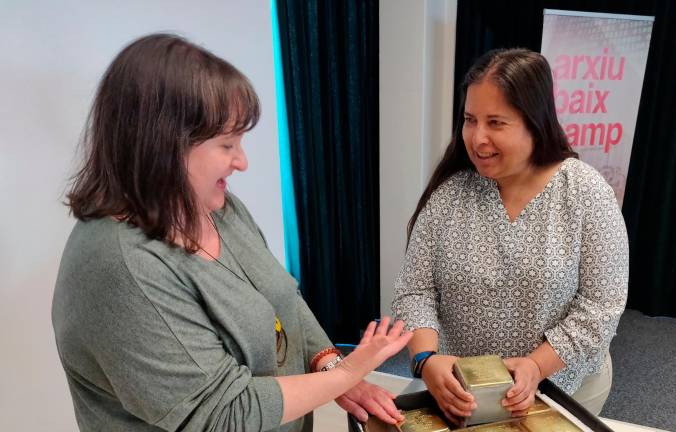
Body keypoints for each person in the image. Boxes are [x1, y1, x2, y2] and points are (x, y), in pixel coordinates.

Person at [52, 33, 411, 432]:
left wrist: (330, 364)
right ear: (163, 145)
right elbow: (223, 414)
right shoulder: (123, 268)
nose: (241, 161)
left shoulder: (216, 208)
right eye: (227, 144)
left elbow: (283, 301)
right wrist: (344, 377)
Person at [391, 48, 628, 423]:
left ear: (535, 122)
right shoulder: (451, 194)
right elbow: (415, 289)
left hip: (560, 385)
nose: (477, 138)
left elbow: (602, 307)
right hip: (462, 390)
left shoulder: (585, 193)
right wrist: (425, 359)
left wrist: (536, 366)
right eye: (470, 120)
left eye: (496, 123)